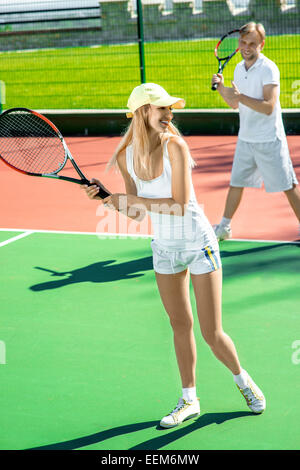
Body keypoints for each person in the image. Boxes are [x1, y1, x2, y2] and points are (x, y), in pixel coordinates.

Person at [82, 82, 266, 428]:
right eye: (161, 109)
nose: (169, 115)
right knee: (179, 325)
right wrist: (108, 199)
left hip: (199, 244)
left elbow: (179, 205)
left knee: (212, 332)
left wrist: (133, 200)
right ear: (142, 114)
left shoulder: (176, 147)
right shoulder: (125, 156)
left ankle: (243, 381)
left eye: (170, 109)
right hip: (164, 251)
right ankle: (189, 399)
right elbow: (137, 213)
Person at [212, 22, 300, 241]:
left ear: (262, 44)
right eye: (243, 42)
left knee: (288, 185)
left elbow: (269, 106)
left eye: (252, 43)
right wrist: (223, 88)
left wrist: (240, 97)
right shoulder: (238, 68)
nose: (246, 47)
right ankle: (224, 227)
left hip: (269, 140)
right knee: (236, 183)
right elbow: (235, 104)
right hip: (246, 140)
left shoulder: (269, 68)